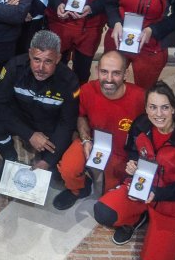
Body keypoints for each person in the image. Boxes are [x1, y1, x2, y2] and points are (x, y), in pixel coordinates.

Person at [93, 81, 175, 260]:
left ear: (173, 108)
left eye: (164, 107)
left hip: (172, 203)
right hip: (141, 187)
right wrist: (132, 165)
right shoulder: (140, 125)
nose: (158, 114)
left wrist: (159, 194)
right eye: (152, 107)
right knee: (103, 212)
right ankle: (138, 218)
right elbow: (133, 152)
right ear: (146, 108)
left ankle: (154, 223)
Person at [53, 51, 147, 209]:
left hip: (121, 152)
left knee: (109, 198)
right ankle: (78, 189)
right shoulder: (87, 90)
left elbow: (162, 121)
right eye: (104, 72)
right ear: (97, 71)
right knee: (68, 168)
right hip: (92, 142)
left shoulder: (141, 97)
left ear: (126, 73)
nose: (109, 79)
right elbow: (81, 116)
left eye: (116, 73)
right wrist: (85, 139)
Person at [0, 30, 79, 169]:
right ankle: (10, 158)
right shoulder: (13, 67)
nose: (41, 68)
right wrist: (29, 134)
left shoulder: (69, 80)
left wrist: (47, 162)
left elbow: (67, 123)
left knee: (57, 169)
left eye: (48, 61)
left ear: (58, 58)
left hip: (49, 124)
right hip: (20, 117)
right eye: (36, 59)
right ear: (30, 53)